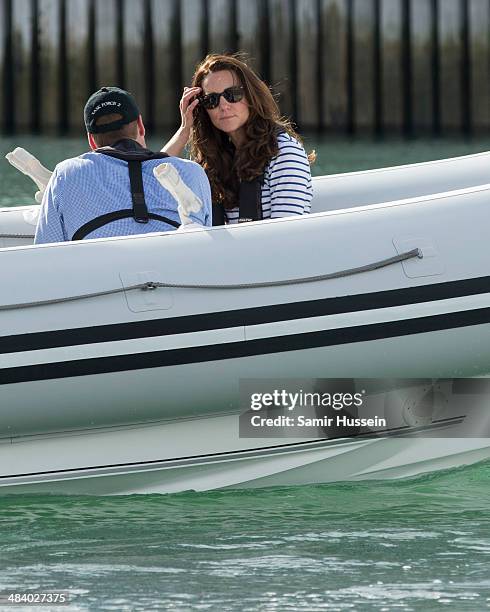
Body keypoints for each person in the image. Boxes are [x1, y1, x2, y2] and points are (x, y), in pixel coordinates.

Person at [34, 87, 212, 244]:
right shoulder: (192, 173)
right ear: (141, 126)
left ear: (91, 141)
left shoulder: (66, 174)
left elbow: (45, 251)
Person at [163, 54, 314, 225]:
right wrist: (184, 131)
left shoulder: (284, 153)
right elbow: (151, 186)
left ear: (251, 95)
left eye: (232, 94)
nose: (223, 106)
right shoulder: (210, 163)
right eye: (211, 100)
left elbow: (286, 236)